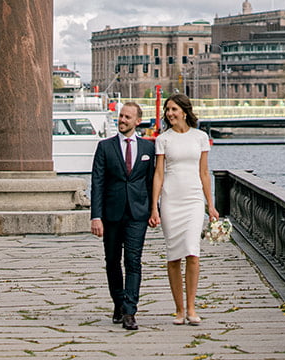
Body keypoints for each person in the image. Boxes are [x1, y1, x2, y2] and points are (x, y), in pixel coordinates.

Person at [150, 92, 219, 326]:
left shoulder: (200, 137)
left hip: (193, 200)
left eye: (174, 110)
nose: (170, 114)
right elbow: (158, 174)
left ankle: (191, 307)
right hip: (171, 199)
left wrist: (211, 205)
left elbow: (204, 173)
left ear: (184, 112)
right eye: (168, 110)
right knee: (173, 255)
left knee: (192, 251)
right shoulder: (163, 139)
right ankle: (178, 309)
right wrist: (154, 207)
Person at [89, 100, 157, 332]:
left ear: (138, 121)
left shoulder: (148, 148)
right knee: (112, 261)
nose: (122, 120)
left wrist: (153, 210)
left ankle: (130, 311)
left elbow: (151, 183)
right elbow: (97, 184)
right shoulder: (105, 147)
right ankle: (118, 302)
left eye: (128, 117)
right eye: (121, 116)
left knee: (134, 262)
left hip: (138, 213)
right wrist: (95, 217)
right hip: (111, 214)